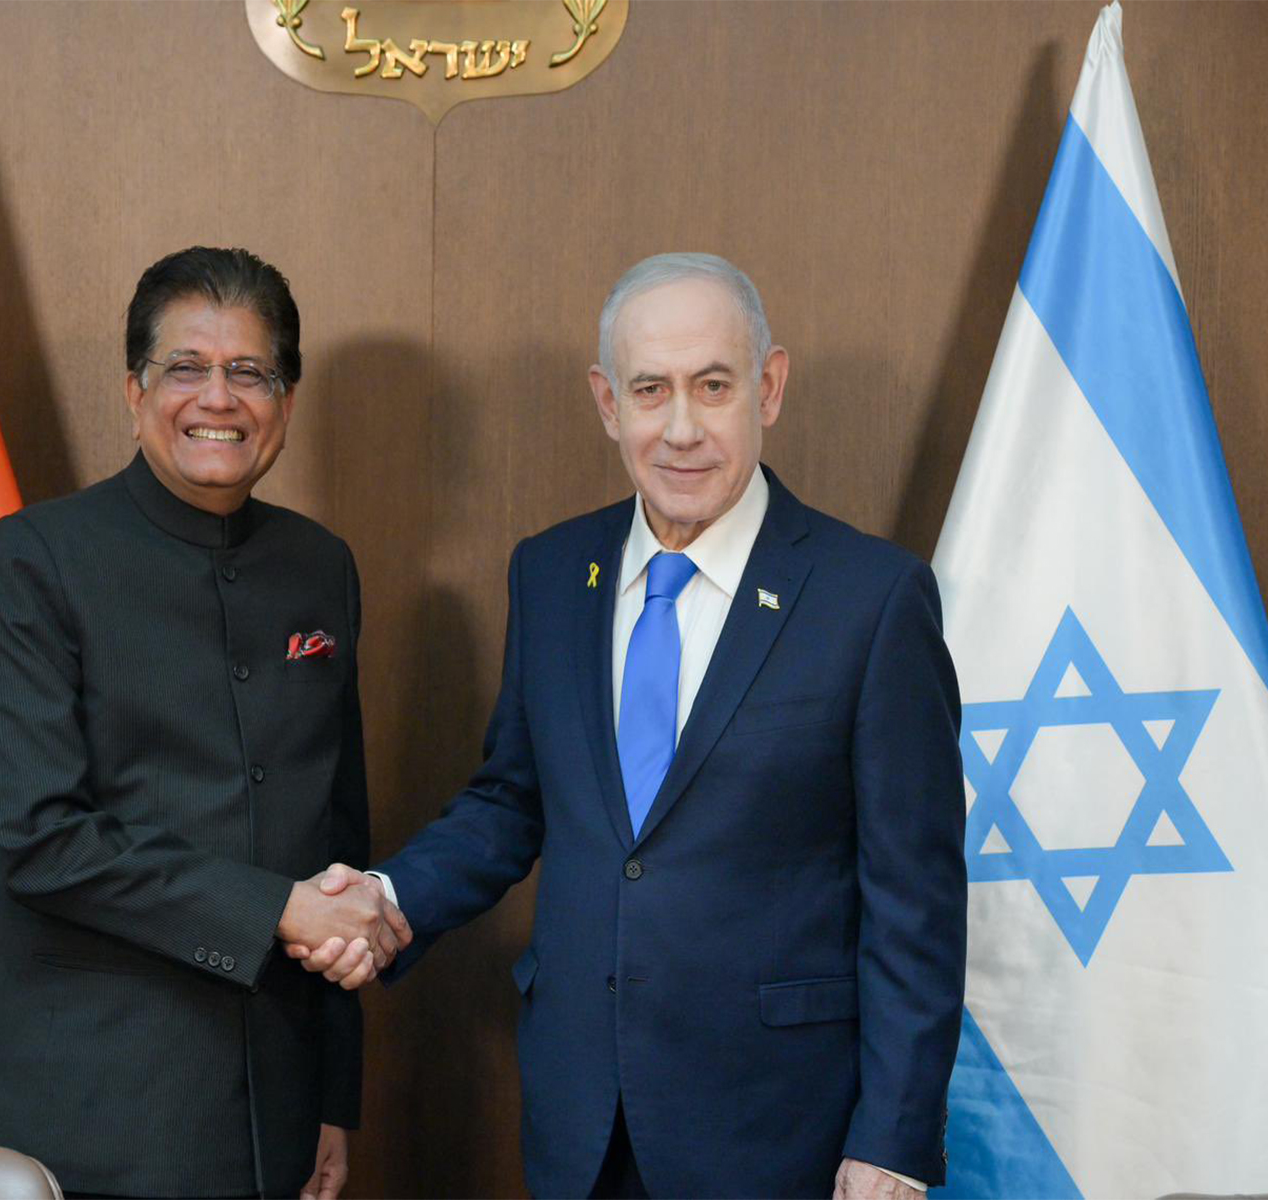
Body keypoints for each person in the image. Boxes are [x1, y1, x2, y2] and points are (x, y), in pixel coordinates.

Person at [294, 253, 967, 1198]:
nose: (682, 428)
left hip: (780, 1131)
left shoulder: (873, 599)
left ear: (768, 388)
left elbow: (916, 901)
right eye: (651, 390)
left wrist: (894, 1138)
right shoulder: (553, 571)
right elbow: (511, 800)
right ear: (608, 403)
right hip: (581, 1123)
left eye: (714, 386)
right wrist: (386, 896)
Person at [0, 246, 409, 1200]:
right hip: (93, 1115)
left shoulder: (320, 566)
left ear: (285, 401)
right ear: (134, 391)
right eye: (186, 369)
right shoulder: (37, 559)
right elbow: (41, 839)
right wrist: (276, 910)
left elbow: (339, 833)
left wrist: (334, 1095)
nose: (220, 398)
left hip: (277, 1110)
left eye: (250, 372)